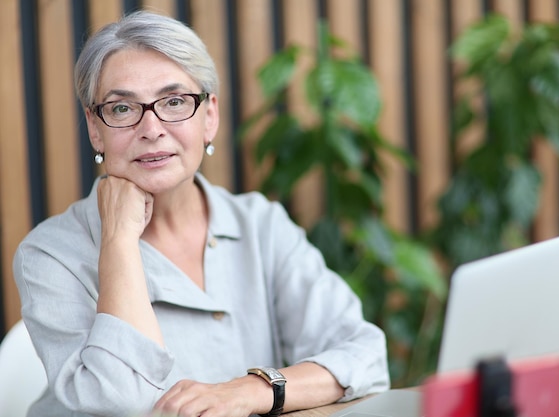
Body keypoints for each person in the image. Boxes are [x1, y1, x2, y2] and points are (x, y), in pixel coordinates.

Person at [12, 10, 389, 417]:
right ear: (94, 127)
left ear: (210, 116)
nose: (152, 128)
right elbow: (119, 402)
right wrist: (119, 242)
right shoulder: (49, 254)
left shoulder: (260, 225)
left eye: (174, 102)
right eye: (122, 109)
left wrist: (249, 391)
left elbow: (366, 356)